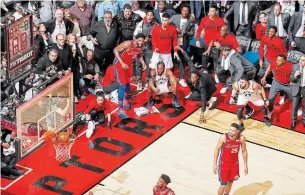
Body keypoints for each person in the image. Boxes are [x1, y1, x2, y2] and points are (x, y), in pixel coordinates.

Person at [113, 33, 147, 119]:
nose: (140, 42)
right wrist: (122, 63)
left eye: (142, 41)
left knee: (128, 84)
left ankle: (125, 100)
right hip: (119, 65)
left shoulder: (141, 46)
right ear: (135, 39)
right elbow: (115, 50)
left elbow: (139, 55)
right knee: (123, 86)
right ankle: (120, 109)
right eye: (139, 40)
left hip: (128, 66)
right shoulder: (128, 43)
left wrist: (143, 62)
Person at [213, 123, 248, 195]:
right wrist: (214, 164)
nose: (230, 132)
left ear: (237, 131)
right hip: (224, 164)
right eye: (229, 130)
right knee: (223, 185)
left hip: (234, 164)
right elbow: (217, 149)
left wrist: (245, 165)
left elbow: (244, 151)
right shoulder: (223, 137)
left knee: (230, 182)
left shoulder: (241, 138)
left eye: (233, 131)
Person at [261, 54, 293, 123]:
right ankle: (270, 111)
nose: (277, 62)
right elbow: (270, 67)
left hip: (287, 84)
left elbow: (297, 74)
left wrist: (294, 81)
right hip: (277, 82)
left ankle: (299, 107)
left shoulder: (290, 66)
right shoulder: (274, 62)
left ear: (284, 61)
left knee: (295, 97)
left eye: (279, 61)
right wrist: (264, 76)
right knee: (270, 99)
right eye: (277, 60)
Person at [290, 56, 305, 129]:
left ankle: (304, 119)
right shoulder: (295, 67)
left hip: (304, 88)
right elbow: (290, 78)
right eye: (300, 60)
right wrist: (295, 76)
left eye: (303, 60)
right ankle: (293, 120)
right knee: (295, 105)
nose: (301, 61)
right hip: (296, 88)